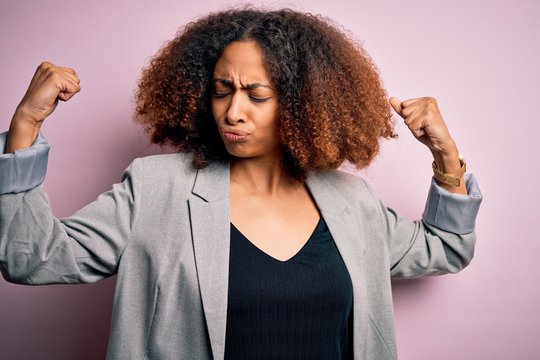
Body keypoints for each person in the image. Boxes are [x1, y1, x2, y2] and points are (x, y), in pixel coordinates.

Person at [0, 7, 482, 360]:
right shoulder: (155, 189)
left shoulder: (350, 201)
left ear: (301, 105)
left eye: (256, 95)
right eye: (222, 91)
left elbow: (446, 247)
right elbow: (31, 257)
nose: (233, 111)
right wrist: (25, 126)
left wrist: (445, 157)